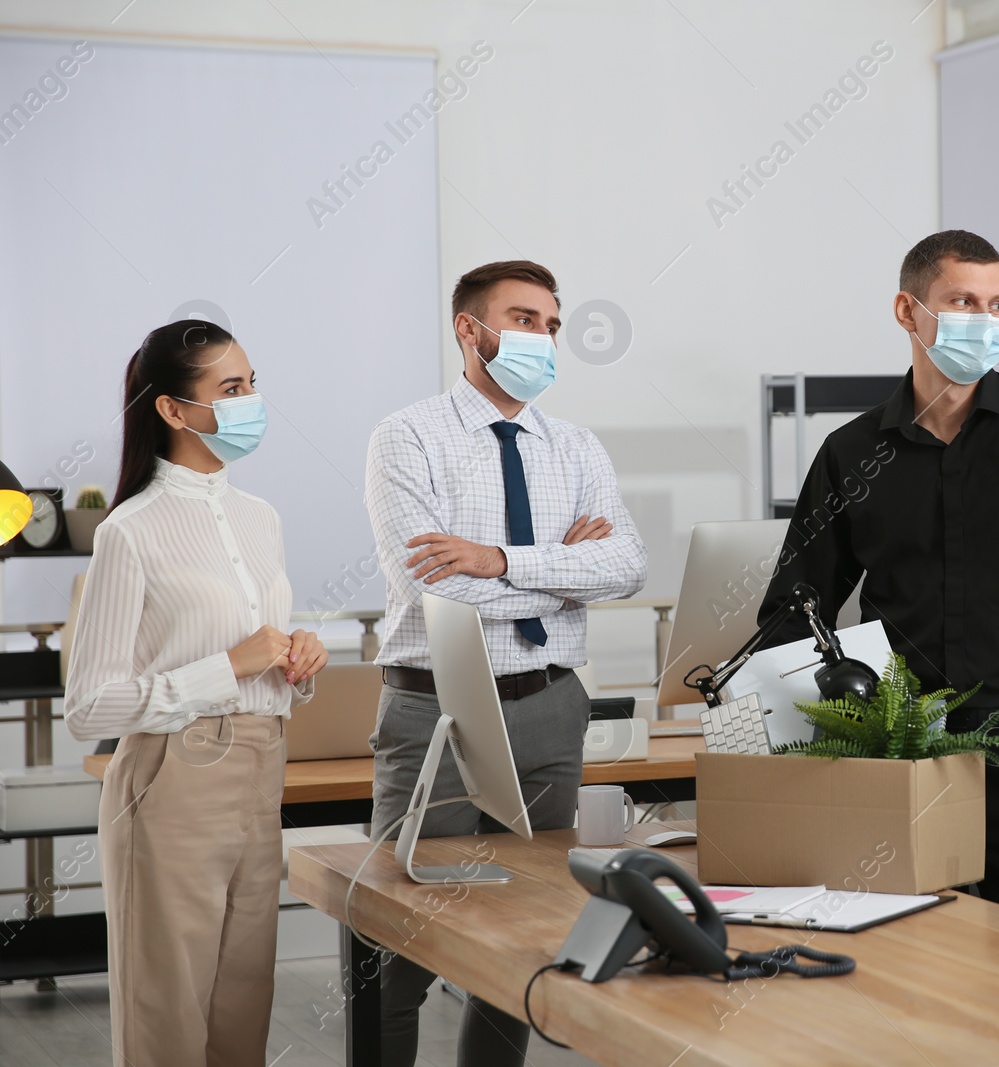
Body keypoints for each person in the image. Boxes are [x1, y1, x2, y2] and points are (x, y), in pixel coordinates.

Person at [757, 230, 999, 927]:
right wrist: (834, 738)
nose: (984, 320)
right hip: (901, 759)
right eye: (962, 301)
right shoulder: (850, 452)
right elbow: (793, 610)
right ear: (907, 312)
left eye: (997, 305)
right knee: (912, 986)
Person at [364, 259, 647, 1065]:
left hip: (553, 705)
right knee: (403, 940)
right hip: (438, 707)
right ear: (470, 329)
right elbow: (435, 589)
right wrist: (560, 566)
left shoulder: (577, 447)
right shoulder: (408, 436)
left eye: (551, 325)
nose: (543, 338)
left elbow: (628, 565)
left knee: (523, 940)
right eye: (524, 319)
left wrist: (499, 558)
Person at [65, 320, 329, 1067]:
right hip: (174, 776)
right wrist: (230, 664)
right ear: (174, 411)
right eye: (231, 389)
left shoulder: (261, 519)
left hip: (261, 765)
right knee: (168, 1015)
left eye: (253, 384)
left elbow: (260, 660)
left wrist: (294, 661)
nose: (252, 402)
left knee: (242, 1005)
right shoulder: (131, 530)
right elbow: (89, 705)